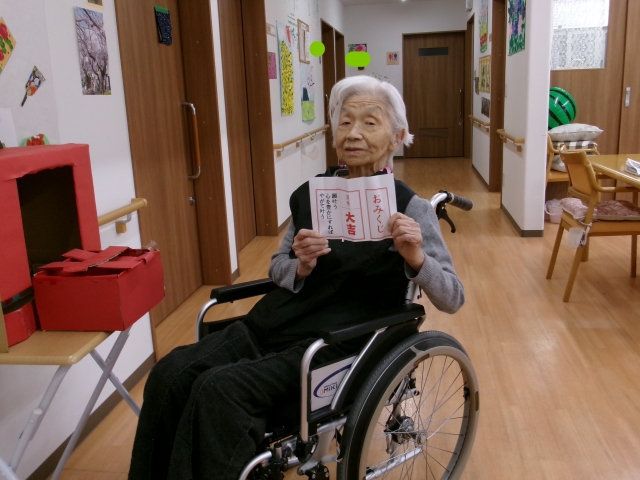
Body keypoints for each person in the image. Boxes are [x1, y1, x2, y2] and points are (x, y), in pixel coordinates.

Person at [128, 75, 465, 480]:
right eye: (344, 122)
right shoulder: (313, 195)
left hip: (336, 342)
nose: (353, 133)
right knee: (169, 374)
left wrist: (416, 256)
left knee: (219, 390)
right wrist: (300, 265)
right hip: (277, 323)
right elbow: (277, 267)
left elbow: (452, 296)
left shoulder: (411, 208)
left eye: (369, 123)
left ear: (397, 137)